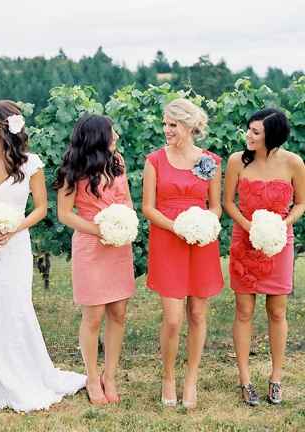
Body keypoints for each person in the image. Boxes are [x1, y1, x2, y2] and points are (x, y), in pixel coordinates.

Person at [0, 100, 85, 412]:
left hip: (16, 245)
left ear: (3, 126)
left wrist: (13, 229)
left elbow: (40, 208)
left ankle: (21, 371)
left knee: (15, 305)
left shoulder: (30, 163)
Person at [142, 98, 223, 409]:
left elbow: (215, 206)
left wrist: (205, 223)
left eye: (172, 125)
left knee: (198, 314)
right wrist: (177, 227)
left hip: (201, 243)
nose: (167, 130)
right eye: (165, 124)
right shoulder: (155, 161)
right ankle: (167, 376)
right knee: (174, 319)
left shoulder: (209, 162)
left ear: (189, 127)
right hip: (168, 239)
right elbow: (148, 208)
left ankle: (191, 378)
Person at [224, 108, 305, 406]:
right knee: (244, 310)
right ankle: (245, 380)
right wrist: (249, 227)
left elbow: (301, 204)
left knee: (278, 311)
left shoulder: (294, 163)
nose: (249, 135)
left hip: (278, 242)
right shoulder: (236, 161)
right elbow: (228, 203)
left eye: (256, 132)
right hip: (245, 239)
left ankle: (276, 378)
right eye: (249, 129)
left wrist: (281, 226)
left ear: (272, 136)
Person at [55, 114, 135, 405]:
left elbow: (126, 199)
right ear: (98, 138)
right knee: (94, 315)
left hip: (118, 245)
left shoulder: (118, 163)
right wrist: (100, 229)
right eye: (112, 133)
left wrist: (124, 223)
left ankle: (110, 375)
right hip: (91, 244)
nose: (116, 137)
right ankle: (91, 377)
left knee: (118, 312)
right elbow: (65, 215)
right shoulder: (71, 171)